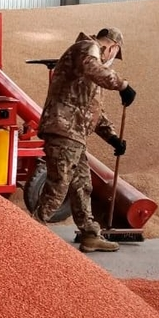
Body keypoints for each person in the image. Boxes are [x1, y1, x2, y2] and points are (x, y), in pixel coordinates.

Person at [32, 27, 136, 253]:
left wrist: (113, 139)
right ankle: (31, 232)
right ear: (112, 47)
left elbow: (92, 111)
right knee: (58, 185)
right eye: (113, 56)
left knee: (82, 185)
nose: (111, 61)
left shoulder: (88, 68)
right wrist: (123, 85)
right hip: (64, 130)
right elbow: (96, 70)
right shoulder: (88, 49)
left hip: (74, 134)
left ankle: (90, 235)